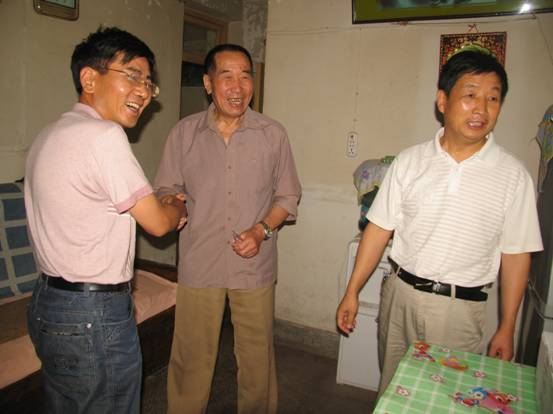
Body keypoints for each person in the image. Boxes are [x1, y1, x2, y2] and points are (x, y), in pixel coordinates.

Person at [336, 49, 543, 397]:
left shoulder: (513, 176)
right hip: (399, 296)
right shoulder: (410, 161)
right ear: (443, 101)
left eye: (493, 98)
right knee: (391, 389)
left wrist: (507, 326)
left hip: (459, 312)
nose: (482, 108)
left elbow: (517, 254)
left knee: (447, 398)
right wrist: (352, 291)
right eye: (471, 95)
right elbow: (378, 230)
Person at [25, 27, 187, 413]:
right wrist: (177, 206)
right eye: (132, 75)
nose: (144, 91)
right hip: (92, 314)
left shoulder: (49, 134)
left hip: (48, 302)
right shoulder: (104, 136)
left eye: (148, 82)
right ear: (89, 78)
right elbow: (158, 223)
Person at [154, 43, 301, 414]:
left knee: (256, 360)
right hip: (199, 261)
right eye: (227, 76)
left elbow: (288, 196)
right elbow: (166, 188)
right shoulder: (184, 134)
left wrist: (261, 231)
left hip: (253, 265)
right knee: (190, 357)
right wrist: (172, 203)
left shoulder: (272, 134)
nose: (238, 86)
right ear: (208, 83)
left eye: (245, 76)